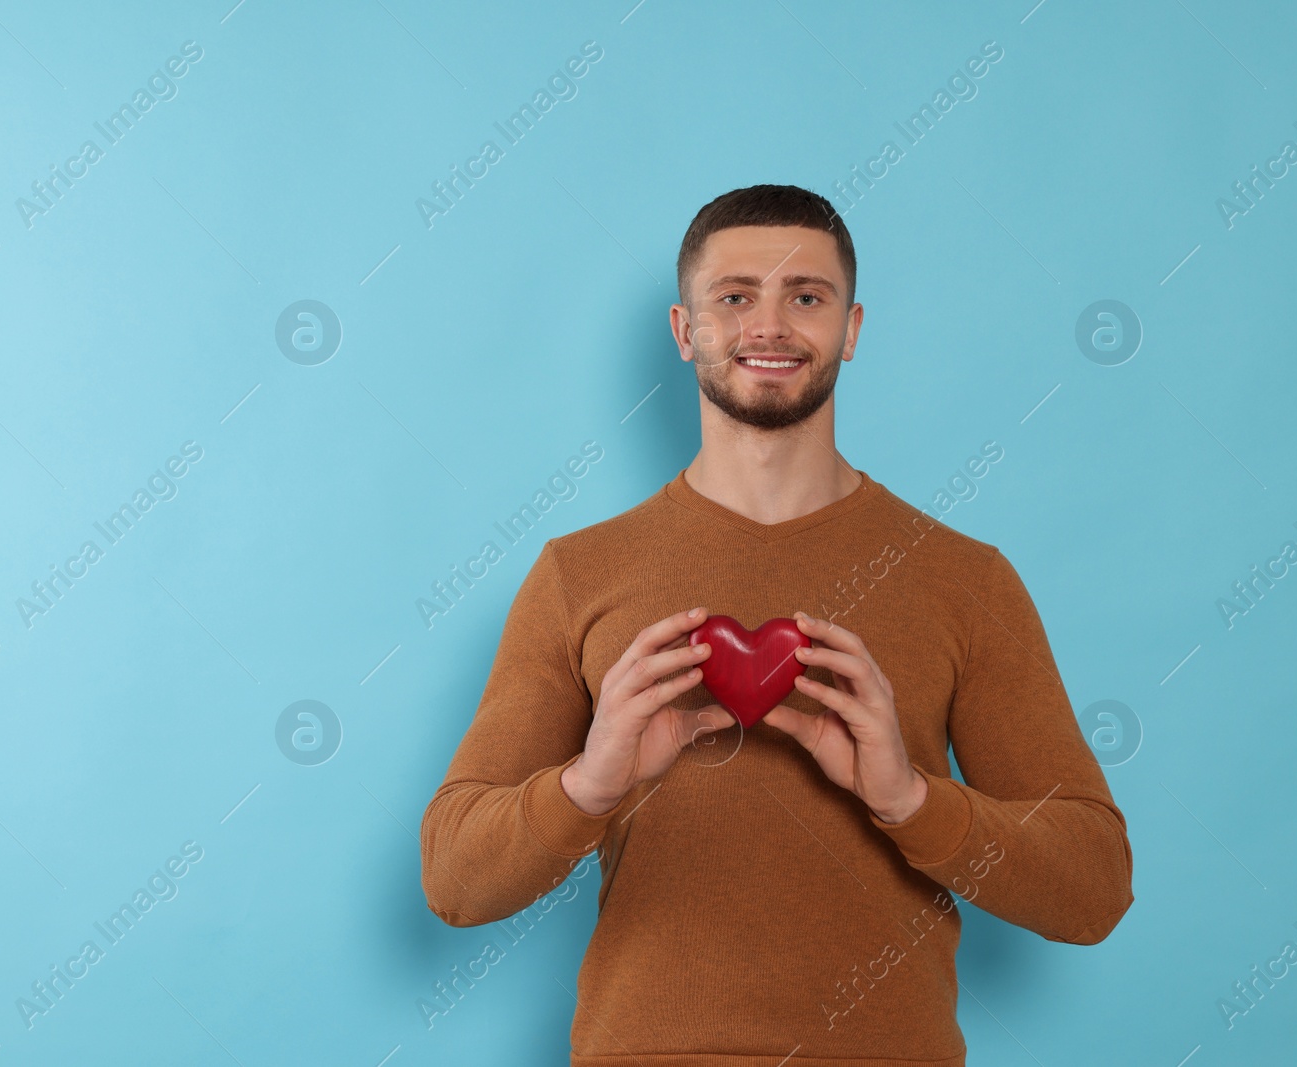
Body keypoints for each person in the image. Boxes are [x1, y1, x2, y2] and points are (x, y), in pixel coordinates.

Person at [419, 184, 1133, 1066]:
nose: (769, 325)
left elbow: (1093, 888)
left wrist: (908, 799)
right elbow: (453, 880)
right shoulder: (579, 572)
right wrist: (590, 785)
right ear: (685, 331)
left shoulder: (965, 578)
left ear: (852, 327)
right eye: (734, 296)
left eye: (806, 296)